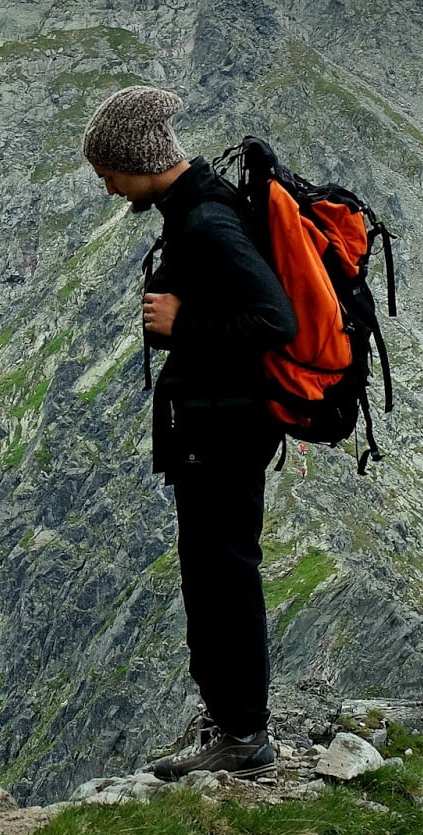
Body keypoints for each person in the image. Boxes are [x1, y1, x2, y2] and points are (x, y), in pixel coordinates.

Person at [81, 86, 297, 779]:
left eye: (109, 172)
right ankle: (231, 723)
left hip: (225, 431)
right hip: (213, 428)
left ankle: (245, 736)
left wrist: (185, 324)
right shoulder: (194, 209)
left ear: (139, 160)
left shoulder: (206, 220)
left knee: (224, 579)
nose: (109, 188)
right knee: (211, 577)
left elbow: (275, 321)